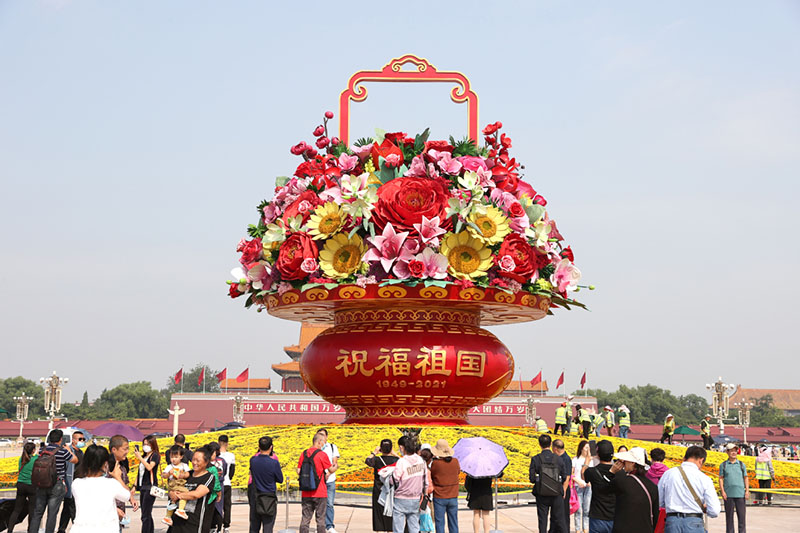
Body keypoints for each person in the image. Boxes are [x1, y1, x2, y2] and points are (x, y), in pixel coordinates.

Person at [69, 444, 135, 533]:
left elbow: (93, 500)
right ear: (105, 464)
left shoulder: (76, 483)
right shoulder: (111, 484)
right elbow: (127, 496)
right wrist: (118, 477)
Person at [657, 445, 720, 532]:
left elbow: (659, 501)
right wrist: (705, 509)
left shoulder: (668, 474)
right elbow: (715, 510)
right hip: (694, 522)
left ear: (684, 458)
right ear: (701, 460)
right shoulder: (704, 478)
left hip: (672, 522)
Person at [28, 429, 79, 533]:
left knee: (38, 512)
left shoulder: (42, 450)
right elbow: (75, 460)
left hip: (41, 483)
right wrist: (69, 450)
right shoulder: (62, 451)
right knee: (52, 513)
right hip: (57, 484)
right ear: (61, 439)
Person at [608, 447, 658, 533]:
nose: (623, 463)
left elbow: (604, 490)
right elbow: (655, 514)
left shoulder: (622, 481)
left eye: (626, 460)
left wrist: (611, 472)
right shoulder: (653, 486)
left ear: (632, 463)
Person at [529, 434, 569, 533]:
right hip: (556, 493)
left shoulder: (536, 459)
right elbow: (564, 476)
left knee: (542, 520)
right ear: (551, 444)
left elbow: (532, 478)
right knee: (559, 519)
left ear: (539, 444)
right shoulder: (558, 459)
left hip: (542, 493)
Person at [170, 448, 216, 533]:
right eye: (193, 460)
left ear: (206, 462)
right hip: (177, 522)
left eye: (198, 460)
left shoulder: (209, 477)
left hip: (195, 524)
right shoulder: (187, 475)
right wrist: (172, 493)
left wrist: (179, 495)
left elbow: (197, 494)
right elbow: (174, 487)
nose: (194, 463)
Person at [392, 436, 431, 533]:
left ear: (402, 448)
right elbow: (425, 481)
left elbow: (395, 479)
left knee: (398, 528)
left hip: (401, 498)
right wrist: (425, 495)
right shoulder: (421, 461)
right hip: (415, 498)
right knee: (414, 527)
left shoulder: (401, 461)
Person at [298, 432, 332, 533]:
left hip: (306, 491)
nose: (324, 444)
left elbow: (298, 471)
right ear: (319, 442)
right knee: (320, 519)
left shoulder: (303, 453)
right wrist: (335, 466)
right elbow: (330, 469)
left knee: (305, 518)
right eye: (324, 442)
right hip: (320, 491)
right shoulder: (322, 454)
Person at [249, 436, 284, 533]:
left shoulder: (253, 460)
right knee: (268, 527)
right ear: (271, 447)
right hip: (269, 498)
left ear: (259, 447)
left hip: (256, 497)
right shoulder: (274, 463)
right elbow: (280, 479)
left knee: (254, 527)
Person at [365, 439, 399, 533]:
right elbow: (404, 461)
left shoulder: (376, 460)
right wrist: (395, 454)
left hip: (378, 491)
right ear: (391, 448)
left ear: (381, 449)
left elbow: (367, 461)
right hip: (391, 491)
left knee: (378, 516)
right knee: (390, 515)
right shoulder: (396, 460)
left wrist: (374, 452)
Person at [582, 440, 616, 533]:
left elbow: (583, 475)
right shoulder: (619, 472)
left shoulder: (592, 471)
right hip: (614, 516)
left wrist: (588, 460)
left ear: (598, 454)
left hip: (597, 516)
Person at [58, 430, 86, 533]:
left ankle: (61, 529)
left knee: (67, 507)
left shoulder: (81, 452)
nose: (82, 441)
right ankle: (77, 526)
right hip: (71, 482)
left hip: (80, 482)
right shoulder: (69, 450)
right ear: (73, 440)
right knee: (73, 506)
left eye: (83, 439)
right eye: (80, 439)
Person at [108, 434, 138, 528]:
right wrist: (114, 509)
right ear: (114, 450)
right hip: (108, 514)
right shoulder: (106, 468)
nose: (127, 452)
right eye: (125, 449)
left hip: (120, 514)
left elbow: (124, 486)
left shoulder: (122, 467)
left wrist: (131, 498)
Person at [430, 439, 460, 533]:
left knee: (439, 522)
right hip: (453, 495)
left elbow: (432, 475)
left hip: (439, 496)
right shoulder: (455, 461)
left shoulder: (436, 463)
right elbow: (458, 472)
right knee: (454, 522)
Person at [8, 442, 37, 533]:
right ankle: (30, 530)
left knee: (17, 510)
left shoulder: (21, 459)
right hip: (31, 485)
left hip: (21, 485)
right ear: (33, 450)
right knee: (32, 510)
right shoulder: (35, 459)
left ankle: (10, 530)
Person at [719, 443, 748, 533]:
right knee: (729, 517)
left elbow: (745, 477)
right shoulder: (723, 465)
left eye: (735, 451)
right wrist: (723, 491)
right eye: (731, 451)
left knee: (742, 517)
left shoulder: (741, 465)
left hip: (740, 494)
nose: (734, 453)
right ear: (727, 452)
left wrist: (747, 490)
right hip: (728, 494)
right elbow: (721, 479)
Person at [133, 435, 160, 533]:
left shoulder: (155, 455)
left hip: (150, 487)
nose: (145, 446)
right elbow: (139, 473)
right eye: (144, 444)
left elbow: (149, 467)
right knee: (146, 513)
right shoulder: (145, 456)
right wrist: (134, 486)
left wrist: (140, 458)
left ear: (153, 445)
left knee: (145, 514)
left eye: (148, 444)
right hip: (142, 487)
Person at [316, 429, 340, 533]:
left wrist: (328, 473)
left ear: (326, 437)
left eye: (323, 435)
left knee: (329, 503)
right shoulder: (315, 448)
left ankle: (329, 526)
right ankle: (320, 526)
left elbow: (334, 463)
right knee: (318, 504)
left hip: (330, 479)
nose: (321, 437)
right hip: (319, 480)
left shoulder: (332, 447)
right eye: (319, 435)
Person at [162, 446, 191, 526]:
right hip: (174, 484)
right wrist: (168, 474)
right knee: (186, 494)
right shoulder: (169, 466)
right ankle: (181, 510)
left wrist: (183, 474)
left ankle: (168, 516)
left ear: (181, 457)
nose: (173, 459)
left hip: (181, 483)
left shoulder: (184, 465)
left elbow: (189, 474)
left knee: (173, 501)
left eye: (176, 457)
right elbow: (163, 475)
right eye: (171, 457)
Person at [551, 439, 572, 532]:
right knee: (556, 513)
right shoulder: (558, 458)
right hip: (558, 489)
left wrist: (563, 491)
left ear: (555, 449)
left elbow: (567, 477)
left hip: (563, 489)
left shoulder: (566, 459)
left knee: (563, 514)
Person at [572, 440, 592, 533]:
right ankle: (577, 529)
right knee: (579, 509)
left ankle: (585, 528)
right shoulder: (575, 460)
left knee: (587, 509)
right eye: (586, 447)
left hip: (588, 487)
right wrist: (578, 481)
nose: (588, 450)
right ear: (581, 448)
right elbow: (571, 474)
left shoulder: (590, 461)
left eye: (589, 448)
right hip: (578, 486)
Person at [218, 435, 236, 533]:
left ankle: (217, 525)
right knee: (227, 505)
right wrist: (228, 478)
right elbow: (232, 470)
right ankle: (226, 526)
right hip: (227, 483)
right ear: (227, 443)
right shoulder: (231, 456)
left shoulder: (216, 455)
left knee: (217, 505)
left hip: (217, 484)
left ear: (218, 442)